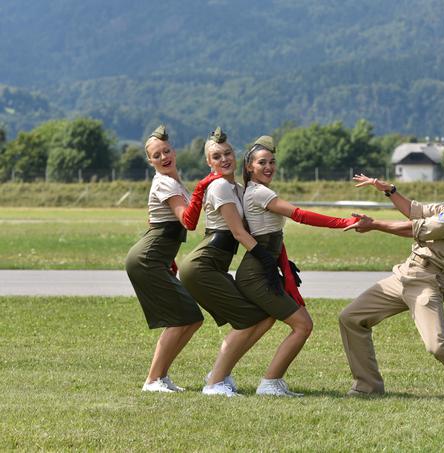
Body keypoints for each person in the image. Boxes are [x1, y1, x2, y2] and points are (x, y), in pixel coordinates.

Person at [339, 149, 444, 401]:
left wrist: (374, 225)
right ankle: (367, 385)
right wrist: (389, 190)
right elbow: (416, 211)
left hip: (427, 281)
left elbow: (417, 228)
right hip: (405, 274)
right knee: (351, 318)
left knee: (437, 344)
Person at [235, 135, 358, 396]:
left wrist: (283, 263)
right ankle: (269, 382)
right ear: (249, 167)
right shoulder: (259, 192)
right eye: (261, 162)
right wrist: (343, 222)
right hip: (257, 272)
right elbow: (299, 215)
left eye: (272, 162)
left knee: (261, 323)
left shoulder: (253, 190)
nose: (268, 167)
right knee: (303, 325)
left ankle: (221, 375)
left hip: (261, 268)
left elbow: (271, 236)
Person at [180, 127, 276, 397]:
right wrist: (265, 258)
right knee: (249, 319)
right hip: (202, 267)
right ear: (209, 163)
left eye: (228, 153)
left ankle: (219, 374)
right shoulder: (220, 186)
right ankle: (214, 384)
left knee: (261, 316)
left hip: (212, 265)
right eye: (217, 156)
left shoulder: (238, 187)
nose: (224, 159)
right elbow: (238, 232)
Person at [125, 125, 219, 393]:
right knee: (182, 317)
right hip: (146, 259)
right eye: (157, 155)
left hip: (155, 257)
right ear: (150, 161)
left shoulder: (173, 182)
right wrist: (205, 184)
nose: (164, 157)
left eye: (166, 151)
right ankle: (153, 380)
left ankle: (160, 377)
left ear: (173, 151)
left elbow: (155, 221)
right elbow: (188, 222)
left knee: (192, 318)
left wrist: (170, 259)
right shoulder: (165, 182)